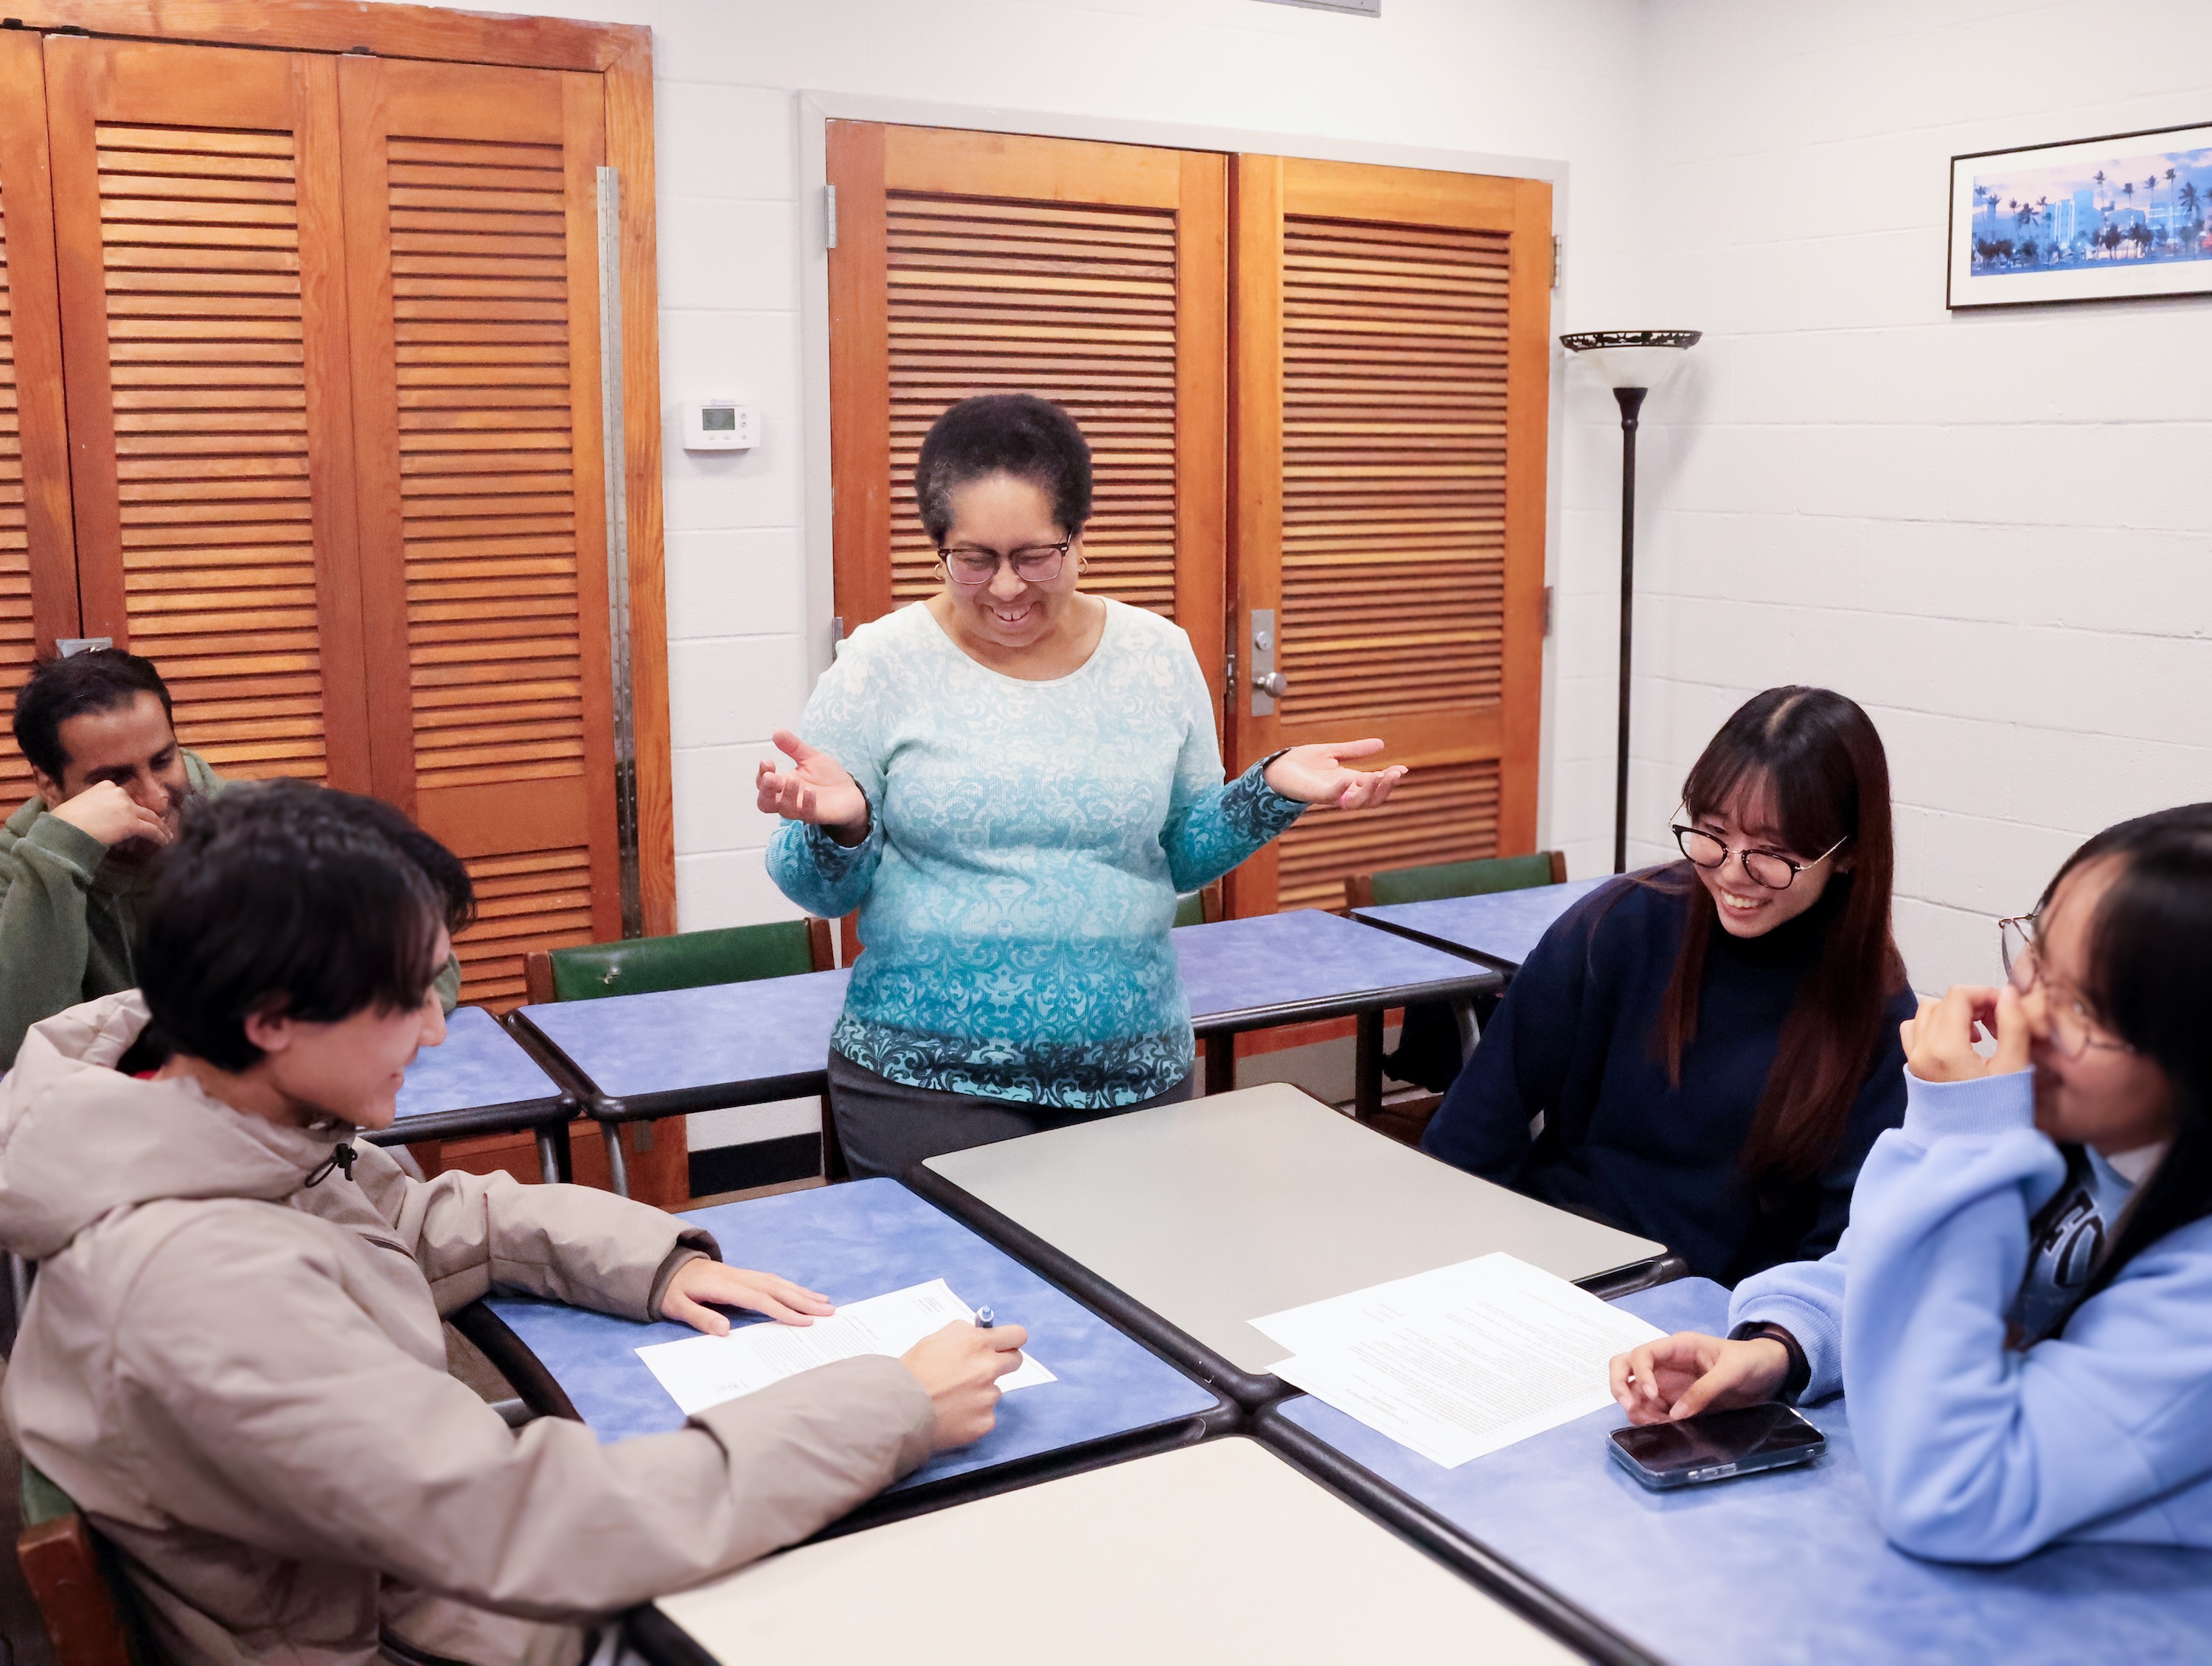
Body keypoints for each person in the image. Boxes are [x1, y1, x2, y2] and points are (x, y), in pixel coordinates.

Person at [0, 780, 1027, 1663]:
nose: (440, 1029)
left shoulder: (190, 1095)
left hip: (408, 1587)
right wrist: (889, 1407)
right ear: (270, 1016)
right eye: (406, 998)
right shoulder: (199, 1293)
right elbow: (532, 1521)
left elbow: (403, 1217)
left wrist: (650, 1261)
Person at [759, 393, 1405, 1179]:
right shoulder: (880, 663)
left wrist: (1270, 790)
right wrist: (846, 827)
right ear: (939, 548)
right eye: (974, 558)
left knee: (1123, 1294)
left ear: (1079, 538)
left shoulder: (1156, 655)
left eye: (1035, 556)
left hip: (1131, 1070)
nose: (1005, 588)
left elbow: (1179, 853)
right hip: (926, 1079)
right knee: (970, 1302)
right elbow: (816, 890)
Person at [1613, 804, 2212, 1561]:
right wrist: (1784, 1345)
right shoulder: (2086, 1133)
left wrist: (1962, 1138)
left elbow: (1951, 1493)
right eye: (2038, 951)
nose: (2023, 1012)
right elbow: (1886, 1264)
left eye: (2085, 1005)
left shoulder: (2195, 1291)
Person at [1422, 687, 1915, 1283]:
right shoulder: (1618, 926)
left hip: (1715, 1322)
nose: (1733, 874)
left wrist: (1762, 1346)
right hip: (1561, 1272)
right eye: (1712, 833)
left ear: (1848, 855)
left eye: (1772, 854)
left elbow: (1842, 1250)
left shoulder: (1875, 1010)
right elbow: (1472, 1132)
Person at [1, 650, 460, 1070]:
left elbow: (432, 971)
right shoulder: (18, 866)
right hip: (113, 1135)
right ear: (50, 785)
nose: (155, 797)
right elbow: (15, 1050)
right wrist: (58, 855)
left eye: (163, 760)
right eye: (115, 778)